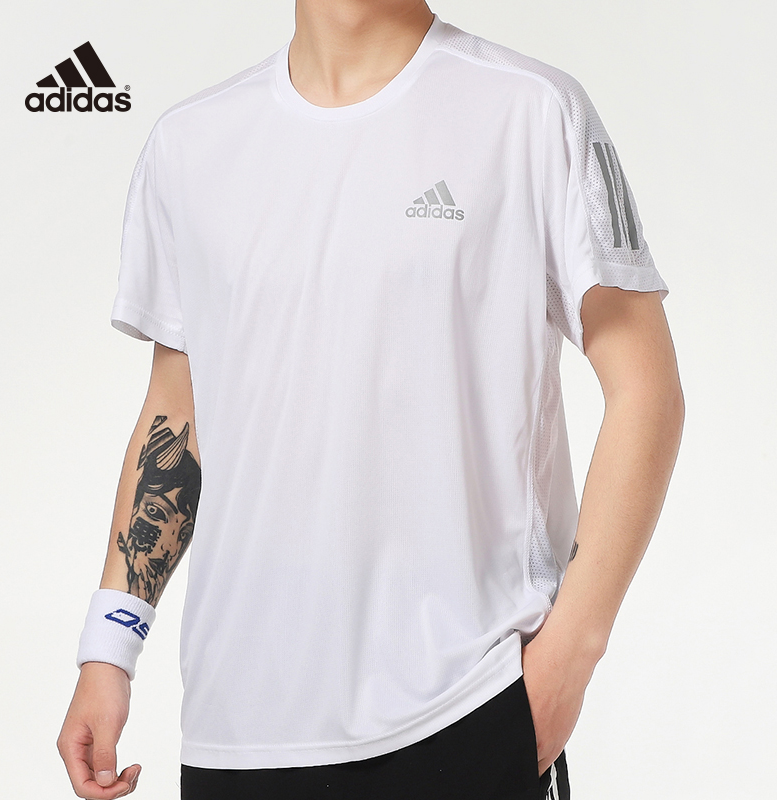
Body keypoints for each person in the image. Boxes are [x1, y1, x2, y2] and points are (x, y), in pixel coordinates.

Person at [57, 1, 685, 798]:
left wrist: (569, 659)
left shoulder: (531, 110)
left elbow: (646, 387)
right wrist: (109, 649)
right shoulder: (190, 146)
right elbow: (177, 414)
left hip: (467, 707)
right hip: (236, 733)